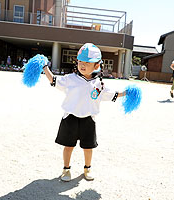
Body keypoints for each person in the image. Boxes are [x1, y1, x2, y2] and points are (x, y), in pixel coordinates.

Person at [42, 43, 126, 182]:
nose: (82, 65)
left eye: (87, 62)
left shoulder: (99, 84)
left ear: (97, 65)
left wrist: (128, 93)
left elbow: (113, 95)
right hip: (70, 118)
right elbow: (54, 80)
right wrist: (45, 67)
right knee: (68, 146)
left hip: (89, 119)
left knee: (88, 147)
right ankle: (66, 169)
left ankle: (87, 168)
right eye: (80, 61)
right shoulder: (70, 78)